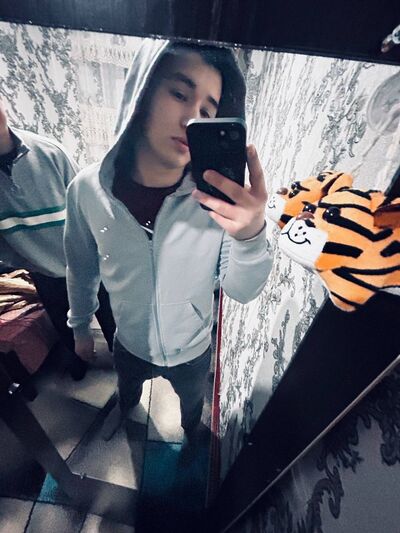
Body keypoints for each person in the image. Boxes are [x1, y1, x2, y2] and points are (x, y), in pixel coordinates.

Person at [64, 39, 272, 441]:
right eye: (179, 93)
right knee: (127, 392)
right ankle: (127, 412)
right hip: (129, 343)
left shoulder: (219, 201)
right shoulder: (86, 191)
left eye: (207, 112)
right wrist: (80, 328)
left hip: (192, 349)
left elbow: (242, 290)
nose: (192, 117)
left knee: (191, 407)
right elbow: (81, 266)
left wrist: (250, 236)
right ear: (141, 93)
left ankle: (192, 432)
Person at [0, 100, 115, 380]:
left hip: (89, 262)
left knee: (112, 318)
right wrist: (27, 260)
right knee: (64, 324)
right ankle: (79, 361)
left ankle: (122, 360)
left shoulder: (50, 152)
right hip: (44, 272)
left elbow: (88, 206)